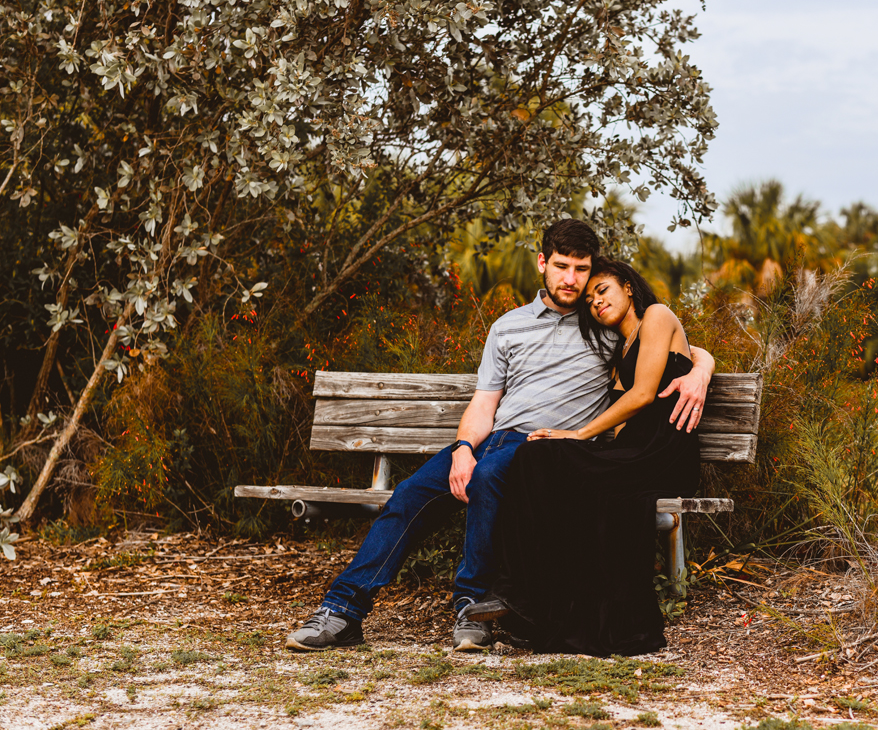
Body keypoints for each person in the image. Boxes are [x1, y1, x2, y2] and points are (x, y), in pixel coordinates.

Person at [285, 220, 714, 652]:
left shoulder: (603, 323)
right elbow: (485, 402)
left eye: (582, 270)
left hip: (542, 451)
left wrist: (702, 369)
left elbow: (673, 346)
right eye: (562, 266)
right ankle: (342, 612)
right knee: (410, 495)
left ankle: (470, 607)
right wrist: (463, 448)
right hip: (492, 439)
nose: (572, 280)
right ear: (543, 264)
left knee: (490, 478)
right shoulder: (508, 327)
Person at [462, 257, 701, 657]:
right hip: (630, 452)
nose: (596, 303)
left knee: (550, 456)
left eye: (602, 291)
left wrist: (578, 435)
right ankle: (524, 597)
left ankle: (519, 592)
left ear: (627, 286)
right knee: (536, 457)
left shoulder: (657, 316)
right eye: (589, 300)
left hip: (662, 451)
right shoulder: (617, 347)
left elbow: (644, 395)